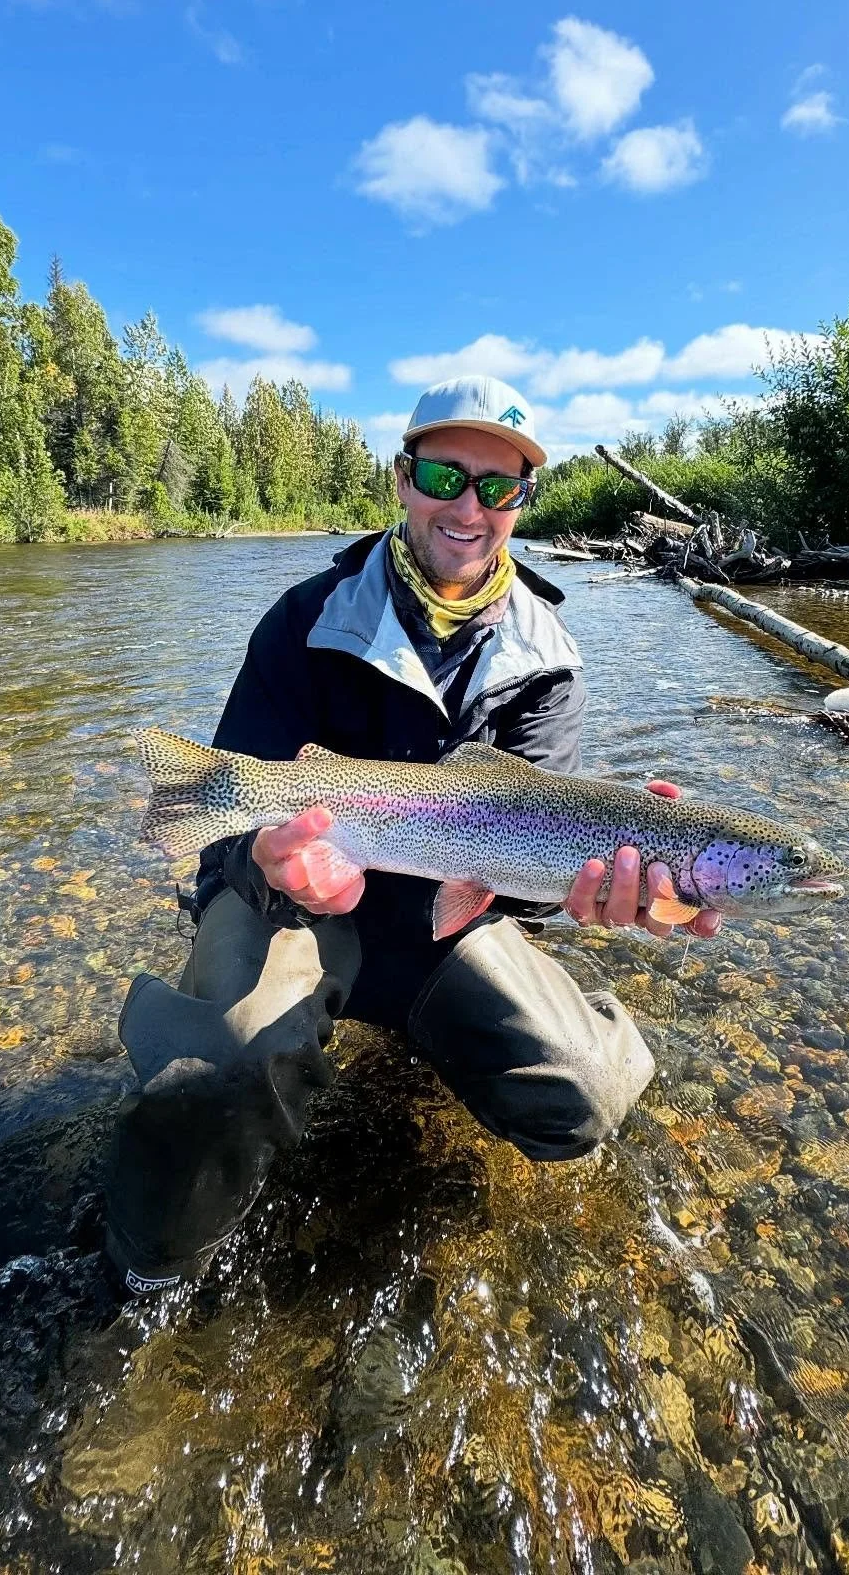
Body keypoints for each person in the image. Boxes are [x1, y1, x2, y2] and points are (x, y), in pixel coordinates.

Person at [102, 375, 722, 1297]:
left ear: (521, 501)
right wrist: (266, 863)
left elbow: (519, 886)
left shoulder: (548, 660)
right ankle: (143, 1270)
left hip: (440, 929)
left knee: (582, 1090)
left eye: (498, 487)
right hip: (294, 912)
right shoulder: (305, 620)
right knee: (213, 1082)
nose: (469, 508)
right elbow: (222, 829)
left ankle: (458, 1036)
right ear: (402, 479)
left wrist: (599, 895)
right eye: (444, 476)